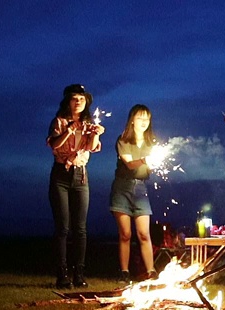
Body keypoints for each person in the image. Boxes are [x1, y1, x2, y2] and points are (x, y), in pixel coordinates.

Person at [46, 84, 105, 289]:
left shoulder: (88, 124)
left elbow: (90, 147)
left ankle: (79, 273)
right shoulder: (60, 122)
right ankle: (62, 274)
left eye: (81, 98)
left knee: (80, 228)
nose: (78, 101)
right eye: (74, 98)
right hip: (61, 174)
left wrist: (97, 133)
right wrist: (70, 130)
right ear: (67, 101)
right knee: (62, 227)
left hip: (80, 176)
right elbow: (54, 145)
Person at [109, 104, 159, 283]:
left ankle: (151, 272)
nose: (144, 122)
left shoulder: (151, 142)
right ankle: (124, 272)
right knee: (125, 234)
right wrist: (146, 160)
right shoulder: (123, 140)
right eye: (140, 118)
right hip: (122, 188)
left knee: (144, 233)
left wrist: (154, 163)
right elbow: (130, 164)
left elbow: (151, 168)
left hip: (140, 188)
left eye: (147, 118)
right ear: (132, 120)